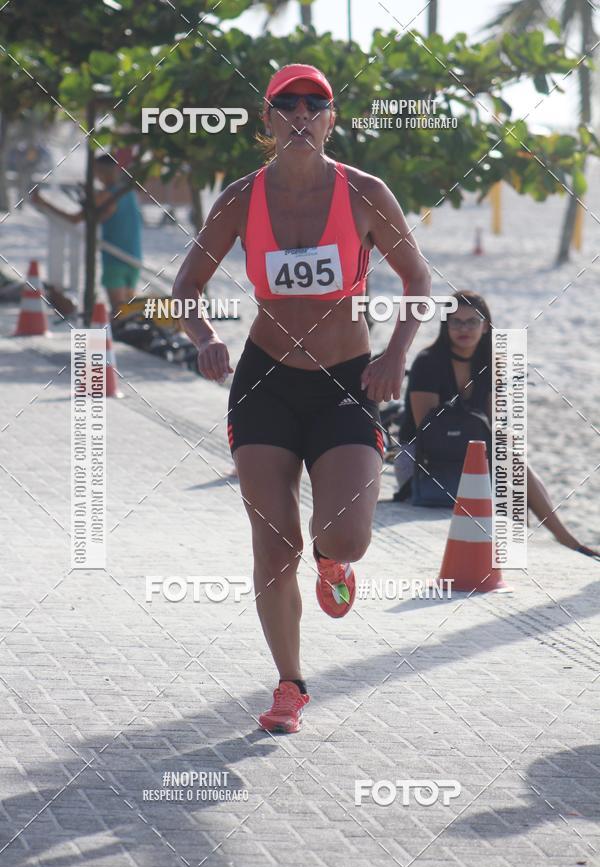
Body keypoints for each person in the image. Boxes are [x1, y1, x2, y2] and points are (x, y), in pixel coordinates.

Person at [173, 63, 431, 733]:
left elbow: (417, 280)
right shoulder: (238, 199)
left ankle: (332, 560)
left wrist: (396, 354)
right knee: (271, 545)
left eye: (314, 104)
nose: (300, 114)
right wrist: (203, 337)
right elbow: (186, 288)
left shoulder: (365, 193)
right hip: (264, 384)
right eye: (286, 104)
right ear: (266, 120)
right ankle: (289, 684)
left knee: (346, 533)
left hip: (347, 382)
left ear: (331, 119)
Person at [397, 289, 599, 559]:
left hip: (469, 451)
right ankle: (565, 540)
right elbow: (428, 428)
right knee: (509, 466)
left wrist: (499, 446)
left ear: (485, 326)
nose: (464, 328)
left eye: (472, 321)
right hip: (424, 460)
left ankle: (550, 540)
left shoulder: (492, 364)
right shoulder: (427, 362)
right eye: (455, 322)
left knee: (514, 465)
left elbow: (493, 425)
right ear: (445, 326)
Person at [31, 154, 142, 318]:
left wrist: (45, 204)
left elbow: (75, 219)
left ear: (100, 172)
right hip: (134, 258)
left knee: (119, 314)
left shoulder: (106, 196)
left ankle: (103, 341)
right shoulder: (128, 192)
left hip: (115, 260)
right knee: (128, 311)